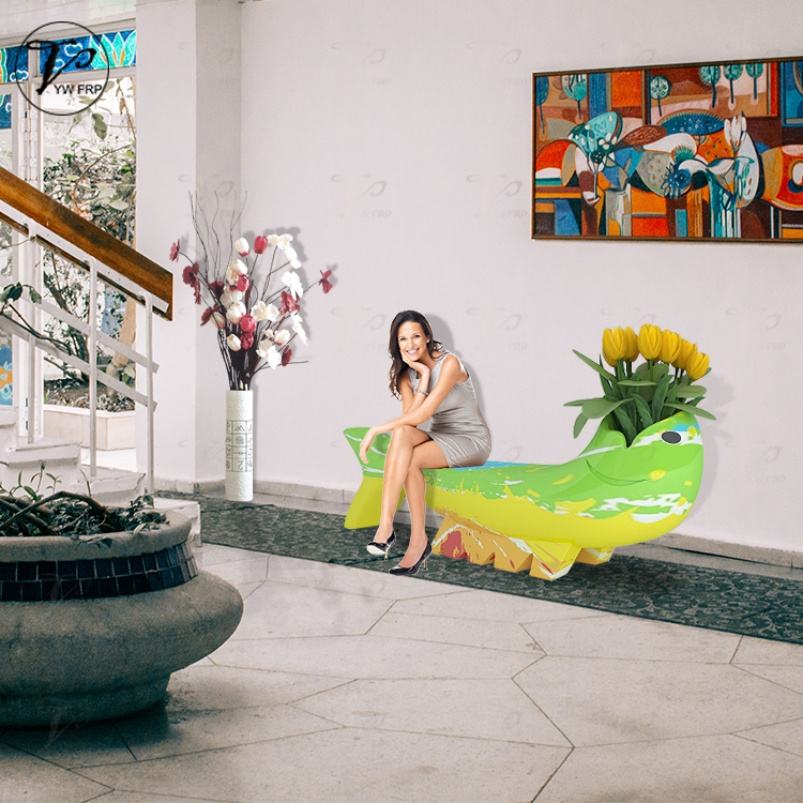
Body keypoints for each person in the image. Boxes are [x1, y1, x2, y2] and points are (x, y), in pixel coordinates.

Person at [358, 310, 492, 576]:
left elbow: (423, 414)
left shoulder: (450, 363)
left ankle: (396, 534)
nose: (410, 344)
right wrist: (423, 377)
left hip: (470, 439)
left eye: (416, 336)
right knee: (402, 435)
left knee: (408, 454)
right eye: (403, 339)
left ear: (428, 336)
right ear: (397, 344)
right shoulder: (407, 375)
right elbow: (411, 421)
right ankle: (398, 531)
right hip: (441, 434)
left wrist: (376, 429)